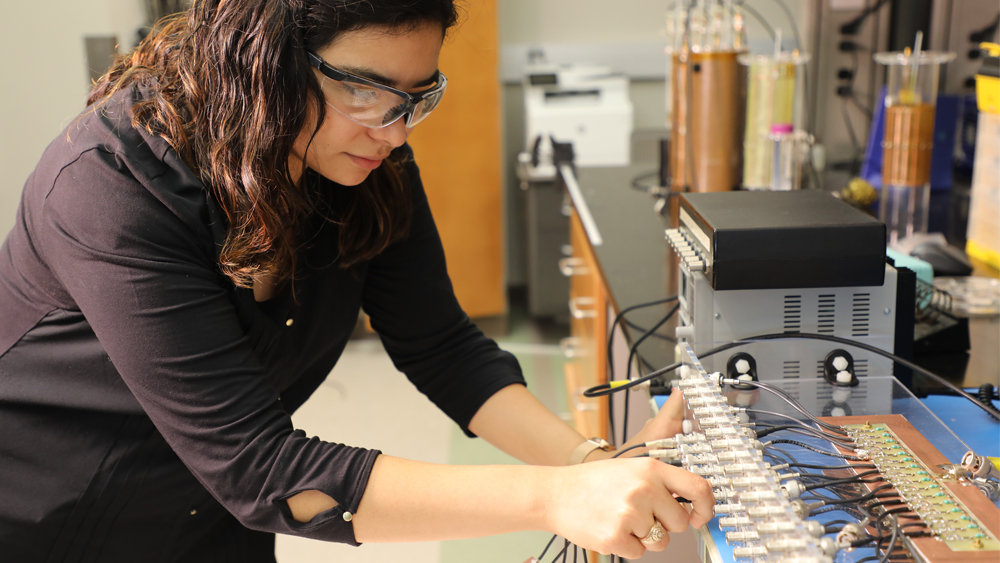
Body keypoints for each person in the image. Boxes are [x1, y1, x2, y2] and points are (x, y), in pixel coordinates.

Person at [0, 1, 714, 561]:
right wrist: (556, 496)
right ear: (262, 59)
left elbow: (441, 345)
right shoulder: (109, 184)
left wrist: (590, 461)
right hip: (49, 521)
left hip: (208, 527)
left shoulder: (359, 164)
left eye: (414, 97)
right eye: (367, 92)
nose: (395, 132)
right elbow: (260, 469)